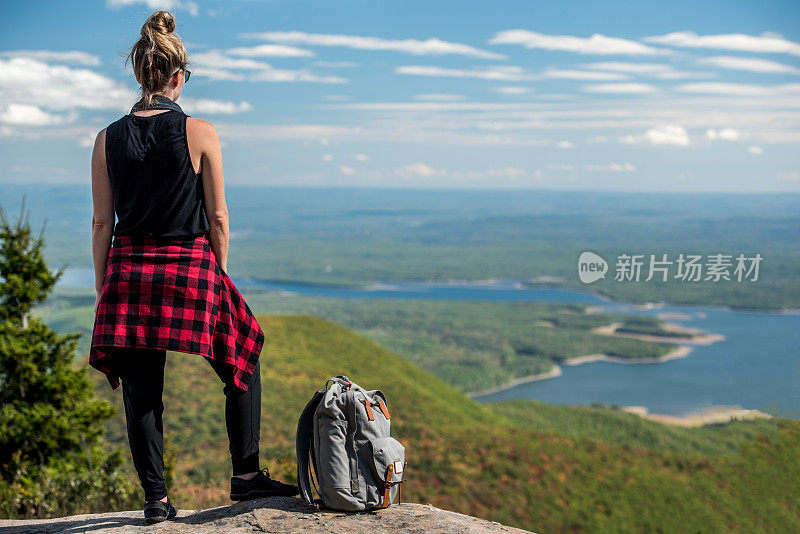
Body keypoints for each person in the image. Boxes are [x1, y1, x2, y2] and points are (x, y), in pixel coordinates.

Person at [88, 10, 298, 525]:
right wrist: (218, 276)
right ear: (178, 76)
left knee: (142, 388)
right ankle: (246, 476)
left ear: (140, 74)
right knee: (243, 355)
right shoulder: (199, 132)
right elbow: (219, 215)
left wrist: (103, 290)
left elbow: (101, 224)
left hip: (129, 272)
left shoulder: (105, 139)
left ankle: (156, 500)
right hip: (188, 267)